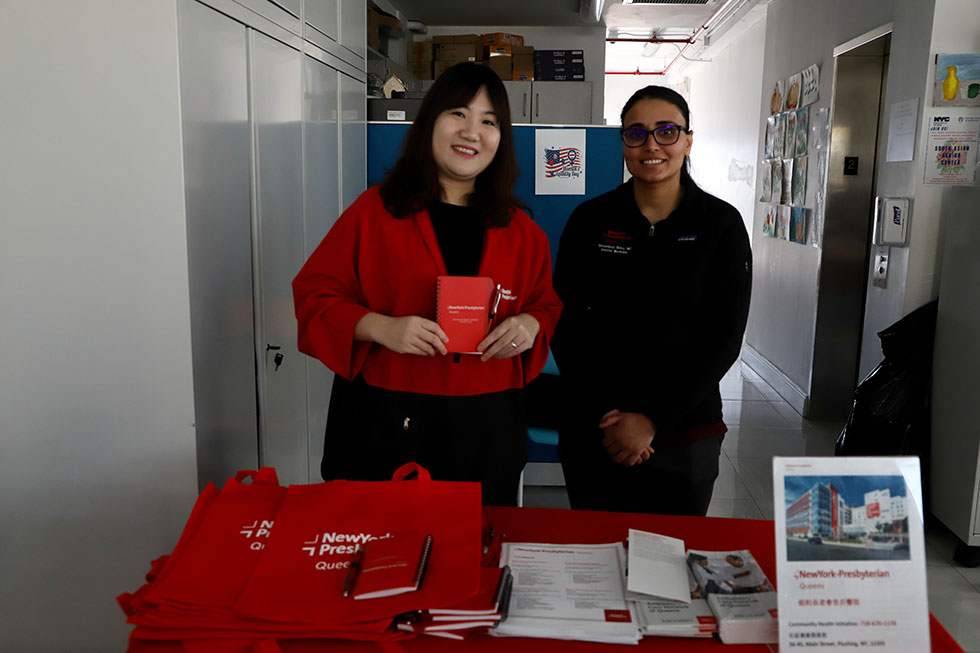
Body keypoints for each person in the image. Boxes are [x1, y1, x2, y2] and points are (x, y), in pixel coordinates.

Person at [292, 62, 561, 506]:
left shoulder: (521, 232)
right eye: (458, 113)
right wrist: (379, 326)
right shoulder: (374, 213)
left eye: (489, 121)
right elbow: (313, 297)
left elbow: (546, 305)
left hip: (487, 421)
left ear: (502, 137)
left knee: (477, 546)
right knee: (380, 549)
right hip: (386, 415)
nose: (472, 132)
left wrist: (531, 325)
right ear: (430, 121)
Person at [551, 85, 751, 516]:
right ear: (623, 142)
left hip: (686, 428)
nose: (651, 145)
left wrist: (651, 420)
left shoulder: (721, 225)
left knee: (673, 564)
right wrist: (611, 417)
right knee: (594, 559)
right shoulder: (590, 220)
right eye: (636, 133)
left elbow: (725, 338)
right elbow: (564, 323)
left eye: (666, 131)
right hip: (597, 427)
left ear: (688, 139)